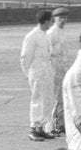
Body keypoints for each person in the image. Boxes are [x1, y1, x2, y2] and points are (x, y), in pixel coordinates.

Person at [20, 10, 55, 141]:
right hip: (36, 70)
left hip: (46, 70)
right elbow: (25, 57)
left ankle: (41, 128)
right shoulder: (32, 36)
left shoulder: (45, 35)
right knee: (37, 100)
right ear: (45, 21)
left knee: (47, 99)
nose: (52, 24)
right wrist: (28, 74)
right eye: (51, 21)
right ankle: (33, 129)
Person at [47, 7, 72, 136]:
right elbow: (47, 54)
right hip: (54, 68)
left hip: (62, 68)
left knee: (63, 98)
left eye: (65, 18)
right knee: (56, 98)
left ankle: (60, 124)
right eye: (60, 18)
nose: (63, 20)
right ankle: (52, 126)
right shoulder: (51, 33)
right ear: (54, 19)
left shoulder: (62, 32)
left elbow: (65, 53)